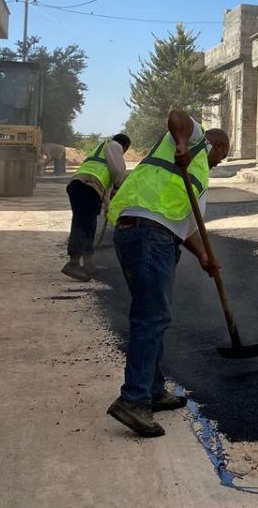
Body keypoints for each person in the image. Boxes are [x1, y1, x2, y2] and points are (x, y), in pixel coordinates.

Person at [104, 109, 229, 438]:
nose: (220, 161)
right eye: (223, 154)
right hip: (148, 234)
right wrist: (185, 144)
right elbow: (178, 116)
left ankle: (154, 390)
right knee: (151, 317)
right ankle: (133, 399)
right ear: (215, 144)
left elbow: (182, 227)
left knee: (152, 314)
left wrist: (203, 255)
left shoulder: (196, 180)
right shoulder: (196, 141)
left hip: (142, 232)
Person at [61, 133, 130, 282]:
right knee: (83, 224)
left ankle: (88, 263)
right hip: (88, 185)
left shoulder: (102, 149)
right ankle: (73, 263)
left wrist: (108, 205)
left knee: (87, 223)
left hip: (80, 185)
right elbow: (118, 172)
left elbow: (105, 187)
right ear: (125, 146)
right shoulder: (114, 145)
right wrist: (120, 186)